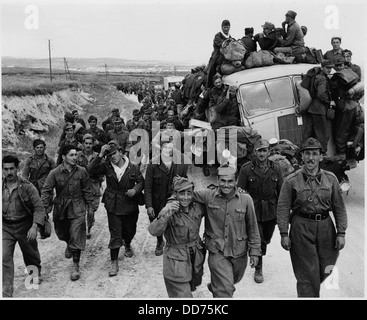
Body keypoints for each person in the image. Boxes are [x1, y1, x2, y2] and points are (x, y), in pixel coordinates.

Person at [276, 137, 347, 297]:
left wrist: (341, 232)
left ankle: (311, 286)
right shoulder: (291, 181)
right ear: (302, 156)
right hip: (301, 227)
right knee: (307, 274)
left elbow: (339, 207)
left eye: (315, 154)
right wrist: (283, 233)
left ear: (321, 157)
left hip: (325, 228)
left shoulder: (331, 179)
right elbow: (283, 208)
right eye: (307, 153)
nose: (311, 158)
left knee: (327, 266)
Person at [192, 164, 261, 298]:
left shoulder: (246, 200)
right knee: (226, 291)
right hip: (217, 251)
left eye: (230, 181)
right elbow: (186, 195)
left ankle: (217, 286)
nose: (226, 185)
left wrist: (255, 251)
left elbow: (253, 227)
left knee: (231, 281)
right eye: (223, 181)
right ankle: (220, 289)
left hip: (239, 252)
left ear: (236, 181)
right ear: (217, 180)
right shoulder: (208, 195)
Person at [88, 140, 144, 276]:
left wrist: (135, 190)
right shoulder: (106, 166)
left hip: (130, 203)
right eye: (109, 155)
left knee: (130, 230)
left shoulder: (133, 167)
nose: (112, 157)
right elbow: (90, 170)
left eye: (114, 153)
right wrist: (100, 155)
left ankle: (128, 242)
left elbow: (141, 181)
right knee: (115, 233)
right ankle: (114, 261)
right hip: (113, 203)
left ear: (120, 152)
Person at [41, 144, 93, 281]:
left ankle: (75, 265)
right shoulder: (55, 173)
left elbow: (88, 190)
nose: (75, 157)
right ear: (63, 157)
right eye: (71, 155)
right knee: (62, 233)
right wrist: (44, 209)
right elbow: (47, 191)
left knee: (77, 234)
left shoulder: (82, 171)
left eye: (76, 155)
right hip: (61, 207)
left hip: (78, 206)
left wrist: (91, 208)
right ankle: (68, 243)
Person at [148, 176, 206, 298]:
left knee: (191, 287)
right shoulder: (169, 210)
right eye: (181, 193)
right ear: (175, 194)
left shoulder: (198, 207)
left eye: (189, 193)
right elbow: (153, 231)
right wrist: (165, 215)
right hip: (176, 260)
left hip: (194, 257)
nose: (186, 197)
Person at [237, 139, 284, 283]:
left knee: (267, 237)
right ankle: (258, 268)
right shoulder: (246, 169)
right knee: (259, 240)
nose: (262, 153)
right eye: (259, 150)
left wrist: (284, 211)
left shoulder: (275, 168)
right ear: (254, 152)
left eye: (264, 150)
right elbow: (240, 191)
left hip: (271, 209)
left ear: (269, 152)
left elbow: (282, 191)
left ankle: (261, 248)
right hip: (254, 209)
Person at [3, 155, 46, 297]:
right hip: (5, 227)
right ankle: (6, 291)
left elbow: (39, 208)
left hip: (25, 226)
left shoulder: (27, 187)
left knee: (30, 254)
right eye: (5, 169)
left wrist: (34, 227)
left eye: (11, 169)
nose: (8, 172)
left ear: (18, 169)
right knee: (4, 257)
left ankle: (34, 274)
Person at [144, 141, 189, 256]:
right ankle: (160, 242)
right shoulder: (153, 164)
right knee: (158, 221)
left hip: (173, 199)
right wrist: (149, 206)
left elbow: (184, 182)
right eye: (165, 147)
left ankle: (173, 243)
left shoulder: (181, 163)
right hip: (157, 200)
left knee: (175, 222)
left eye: (171, 148)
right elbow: (148, 187)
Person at [302, 60, 336, 155]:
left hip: (313, 108)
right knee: (323, 134)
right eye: (327, 68)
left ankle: (302, 151)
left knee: (308, 132)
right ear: (322, 67)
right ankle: (323, 154)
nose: (329, 70)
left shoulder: (316, 76)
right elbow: (321, 94)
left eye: (330, 68)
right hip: (319, 109)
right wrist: (330, 102)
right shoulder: (322, 79)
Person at [76, 134, 103, 239]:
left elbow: (102, 170)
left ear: (93, 145)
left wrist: (100, 181)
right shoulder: (77, 156)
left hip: (94, 185)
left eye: (90, 144)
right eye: (86, 143)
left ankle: (89, 226)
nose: (88, 146)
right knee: (80, 209)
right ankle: (83, 229)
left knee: (92, 210)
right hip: (80, 185)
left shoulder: (97, 156)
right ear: (82, 144)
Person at [207, 19, 232, 88]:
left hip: (227, 56)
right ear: (222, 27)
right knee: (211, 70)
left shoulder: (230, 37)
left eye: (227, 27)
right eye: (224, 27)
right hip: (218, 55)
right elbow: (222, 45)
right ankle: (209, 87)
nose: (226, 29)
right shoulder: (218, 36)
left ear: (230, 27)